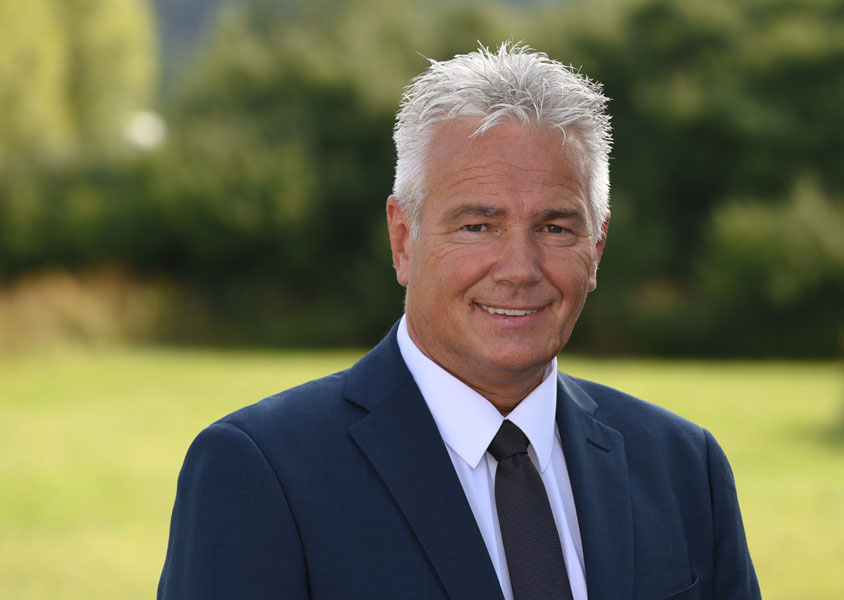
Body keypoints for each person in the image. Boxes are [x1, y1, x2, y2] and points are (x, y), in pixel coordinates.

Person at [158, 42, 760, 600]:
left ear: (596, 247)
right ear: (403, 239)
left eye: (555, 227)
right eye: (478, 226)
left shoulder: (684, 467)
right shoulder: (262, 470)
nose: (519, 269)